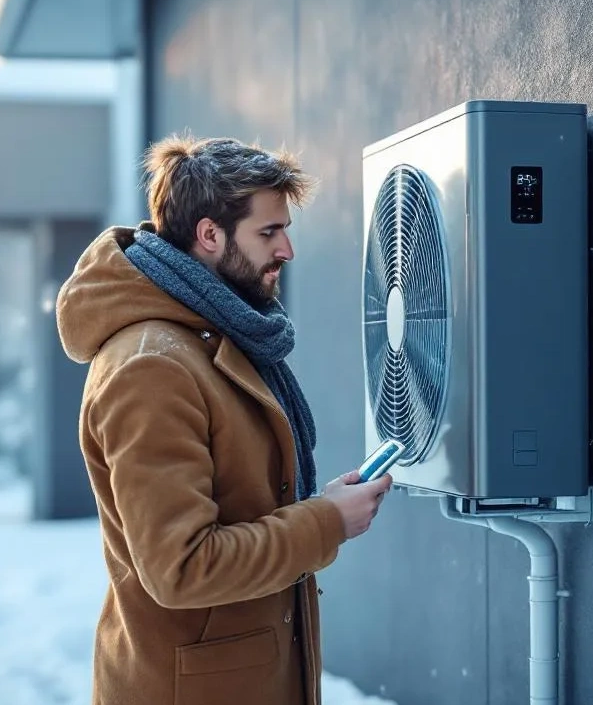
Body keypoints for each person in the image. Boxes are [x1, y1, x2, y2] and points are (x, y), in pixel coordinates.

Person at [55, 134, 394, 705]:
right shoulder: (152, 368)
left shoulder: (214, 336)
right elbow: (182, 568)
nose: (286, 249)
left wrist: (324, 507)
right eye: (268, 232)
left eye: (284, 229)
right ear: (209, 235)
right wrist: (323, 523)